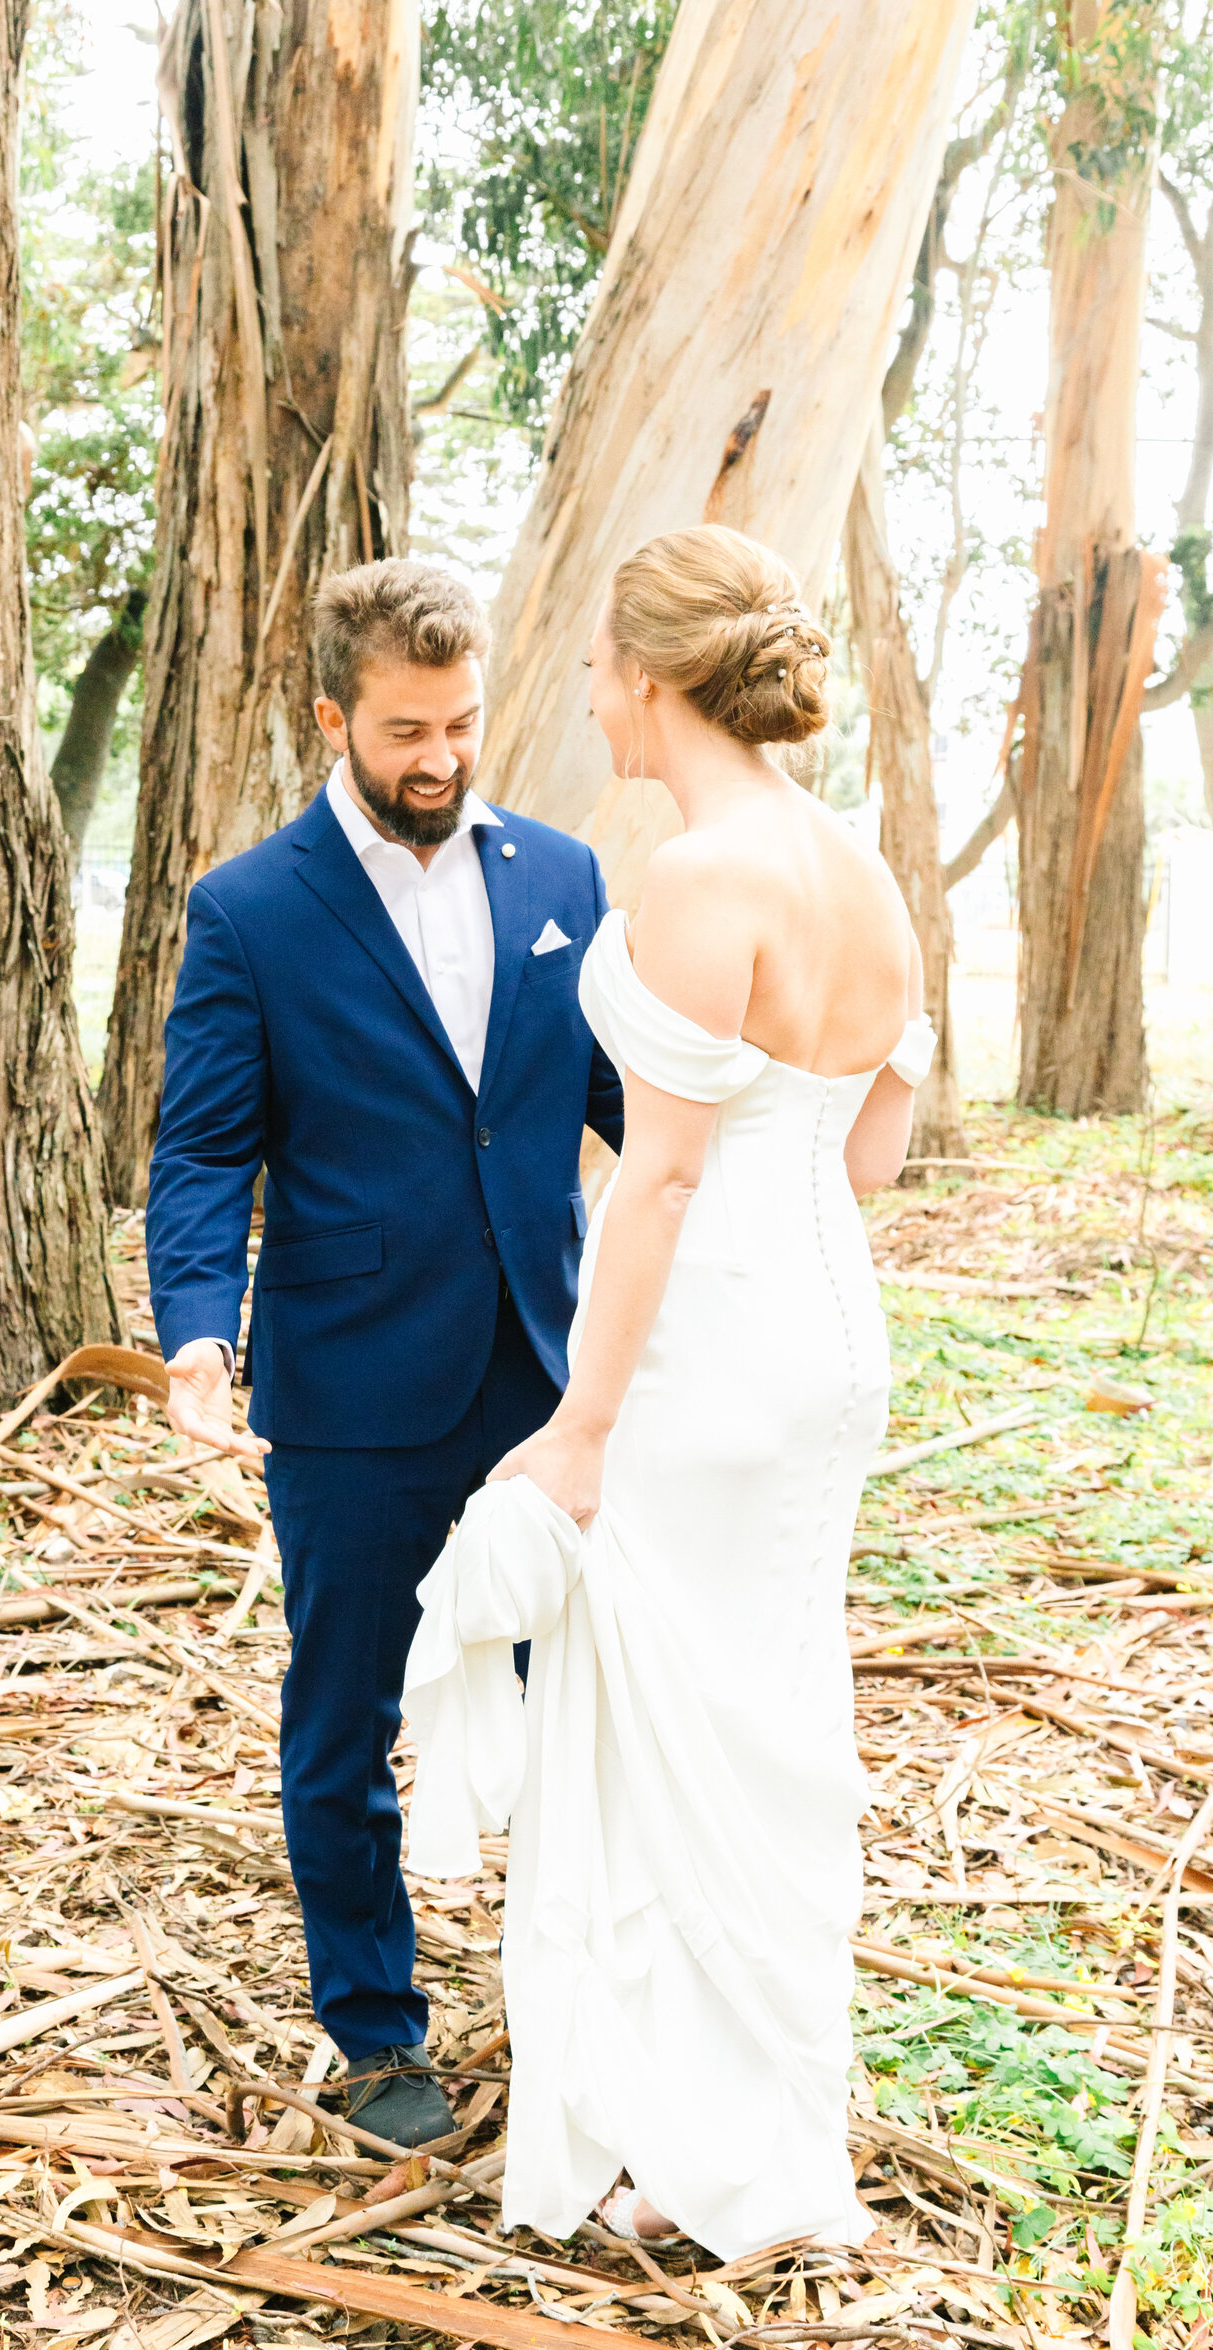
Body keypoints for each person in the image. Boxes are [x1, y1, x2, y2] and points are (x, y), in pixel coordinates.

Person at [475, 523, 934, 2258]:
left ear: (650, 681)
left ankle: (686, 2141)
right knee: (773, 1711)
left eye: (596, 669)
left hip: (708, 1338)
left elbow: (656, 1181)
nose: (589, 699)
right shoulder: (862, 871)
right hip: (830, 1331)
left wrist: (581, 1422)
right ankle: (761, 2110)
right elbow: (873, 1152)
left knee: (666, 1727)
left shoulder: (694, 877)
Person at [145, 559, 624, 2147]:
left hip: (546, 1375)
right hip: (350, 1385)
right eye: (407, 727)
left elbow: (639, 1104)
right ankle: (376, 2032)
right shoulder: (251, 909)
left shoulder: (566, 876)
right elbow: (205, 1150)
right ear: (334, 716)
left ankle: (583, 2016)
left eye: (464, 721)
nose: (441, 756)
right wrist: (199, 1340)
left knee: (582, 1702)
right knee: (346, 1718)